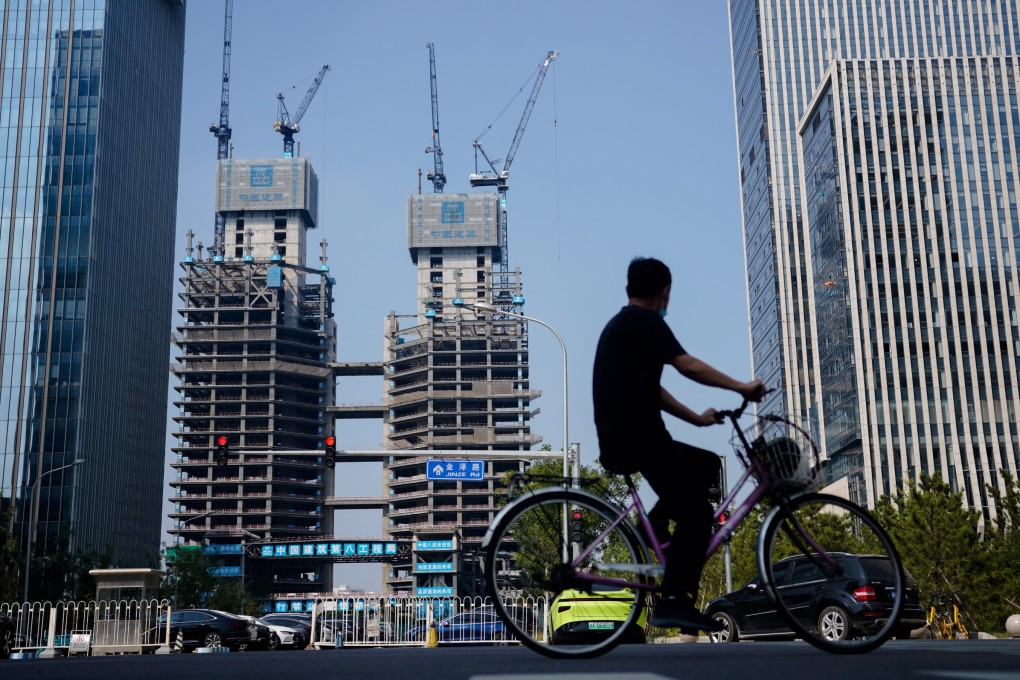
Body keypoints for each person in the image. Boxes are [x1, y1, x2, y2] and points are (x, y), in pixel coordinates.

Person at [592, 256, 765, 632]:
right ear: (666, 292)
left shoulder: (624, 325)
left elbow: (651, 390)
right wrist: (742, 386)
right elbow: (687, 365)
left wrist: (697, 419)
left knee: (703, 464)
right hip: (639, 437)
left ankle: (652, 522)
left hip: (631, 435)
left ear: (628, 289)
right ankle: (673, 600)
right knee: (698, 514)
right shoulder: (643, 321)